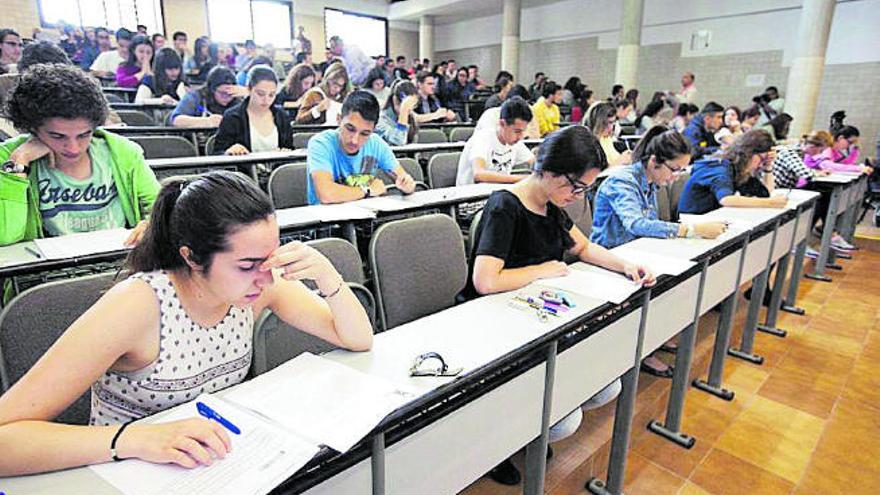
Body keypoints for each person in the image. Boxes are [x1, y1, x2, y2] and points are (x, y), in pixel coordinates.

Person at [0, 170, 373, 476]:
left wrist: (327, 276)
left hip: (208, 467)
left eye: (269, 258)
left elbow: (357, 339)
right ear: (192, 258)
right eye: (246, 265)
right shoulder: (136, 306)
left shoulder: (258, 286)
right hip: (123, 472)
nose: (265, 277)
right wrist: (137, 439)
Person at [465, 125, 653, 485]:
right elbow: (486, 281)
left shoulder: (550, 204)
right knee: (564, 418)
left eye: (585, 189)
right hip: (496, 323)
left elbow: (582, 247)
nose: (578, 196)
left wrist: (625, 265)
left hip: (534, 315)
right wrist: (543, 271)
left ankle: (527, 430)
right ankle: (500, 442)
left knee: (606, 387)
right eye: (576, 186)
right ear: (549, 170)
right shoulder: (505, 205)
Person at [591, 126, 726, 376]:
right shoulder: (623, 181)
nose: (676, 177)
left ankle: (651, 339)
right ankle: (643, 350)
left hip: (637, 253)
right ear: (654, 161)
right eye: (674, 170)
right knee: (657, 286)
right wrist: (690, 229)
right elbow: (636, 223)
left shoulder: (651, 182)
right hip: (610, 256)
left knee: (675, 282)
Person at [0, 63, 159, 247]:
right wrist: (19, 162)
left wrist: (151, 225)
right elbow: (5, 236)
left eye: (84, 135)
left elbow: (159, 207)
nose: (73, 148)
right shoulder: (8, 157)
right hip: (47, 271)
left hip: (118, 261)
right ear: (32, 128)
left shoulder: (123, 152)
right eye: (57, 136)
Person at [306, 91, 416, 205]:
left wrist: (407, 186)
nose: (354, 140)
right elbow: (326, 195)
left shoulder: (376, 143)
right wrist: (367, 190)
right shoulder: (320, 143)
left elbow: (402, 177)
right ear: (339, 119)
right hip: (326, 219)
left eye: (364, 134)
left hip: (366, 217)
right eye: (350, 129)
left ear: (373, 130)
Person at [678, 129, 789, 215]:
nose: (761, 164)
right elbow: (726, 199)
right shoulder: (719, 167)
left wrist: (768, 166)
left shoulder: (740, 169)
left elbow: (766, 193)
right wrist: (771, 203)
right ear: (749, 153)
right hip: (692, 222)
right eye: (762, 158)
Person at [212, 66, 292, 155]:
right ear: (249, 89)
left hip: (277, 167)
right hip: (242, 168)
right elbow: (217, 153)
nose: (266, 100)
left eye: (271, 95)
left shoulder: (282, 116)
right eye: (260, 94)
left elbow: (290, 148)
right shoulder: (233, 117)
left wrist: (287, 152)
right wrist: (229, 152)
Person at [456, 97, 535, 186]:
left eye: (523, 131)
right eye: (517, 131)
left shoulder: (515, 142)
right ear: (502, 124)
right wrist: (522, 179)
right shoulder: (483, 138)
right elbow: (479, 175)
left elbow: (534, 162)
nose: (521, 136)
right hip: (470, 196)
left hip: (496, 194)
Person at [170, 66, 240, 128]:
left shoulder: (238, 102)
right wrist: (208, 121)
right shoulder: (195, 98)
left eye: (230, 94)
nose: (226, 97)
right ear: (212, 90)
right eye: (222, 93)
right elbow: (176, 120)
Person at [375, 79, 419, 146]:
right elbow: (398, 141)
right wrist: (404, 109)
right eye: (408, 105)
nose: (410, 109)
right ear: (394, 99)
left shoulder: (410, 117)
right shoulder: (380, 121)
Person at [586, 102, 631, 167]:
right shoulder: (589, 144)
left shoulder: (606, 138)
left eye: (613, 123)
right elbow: (598, 173)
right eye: (609, 123)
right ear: (599, 122)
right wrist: (621, 161)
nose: (611, 127)